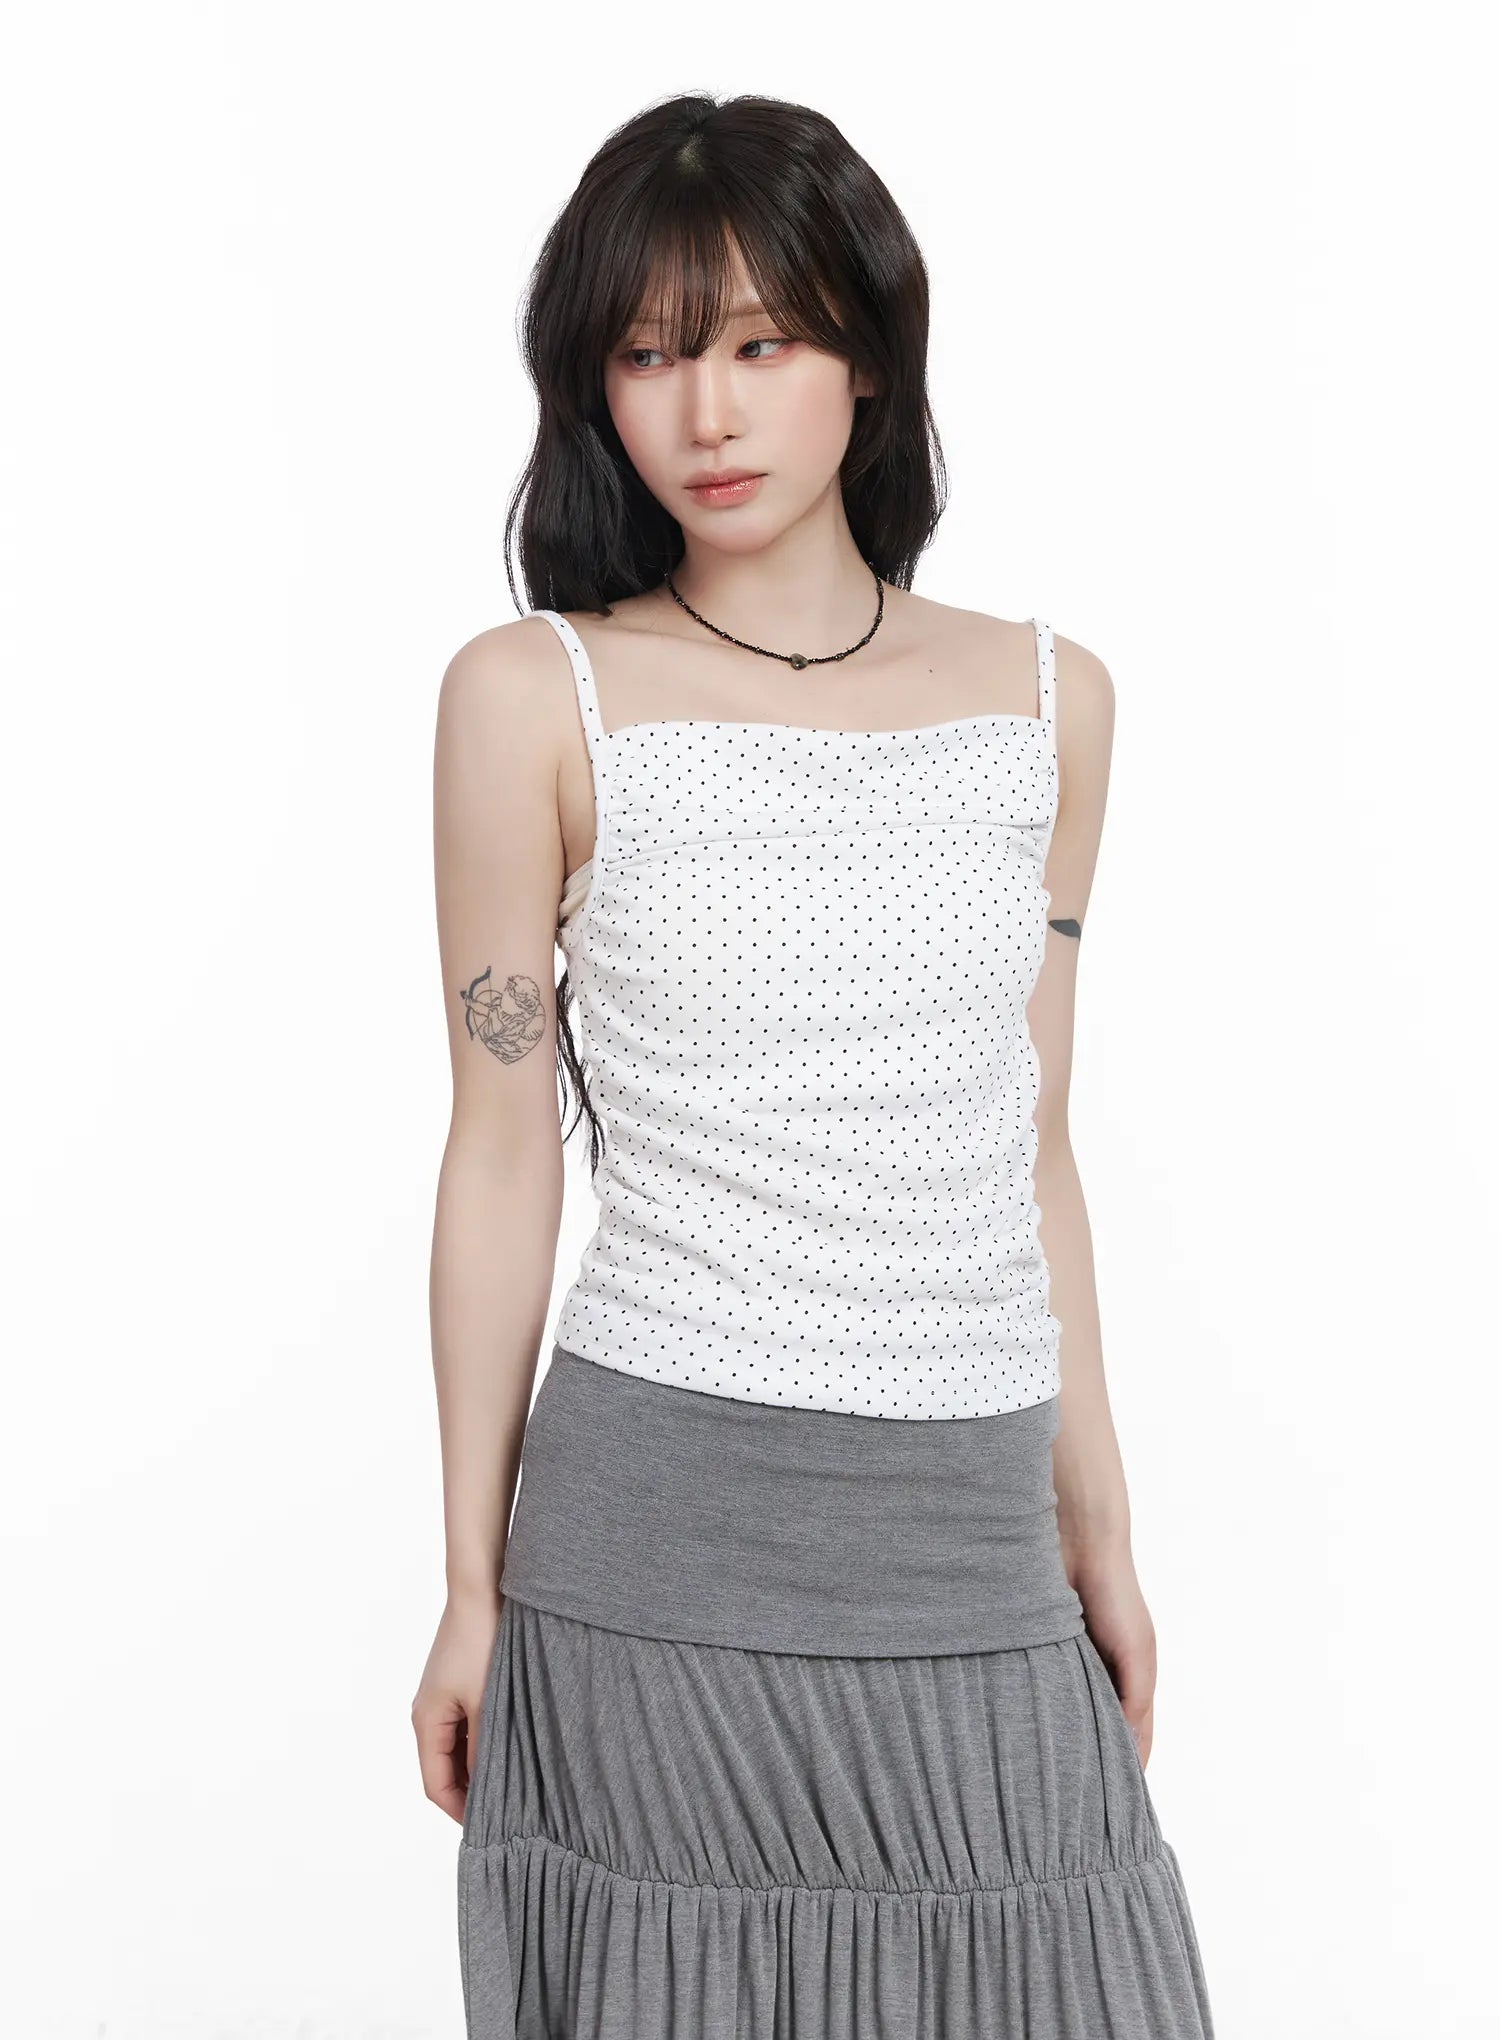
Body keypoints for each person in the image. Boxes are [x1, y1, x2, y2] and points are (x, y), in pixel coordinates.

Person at [414, 90, 1217, 2040]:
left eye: (762, 343)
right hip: (659, 1536)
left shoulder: (1050, 701)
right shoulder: (535, 697)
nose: (708, 411)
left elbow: (1030, 1143)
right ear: (591, 389)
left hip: (969, 1525)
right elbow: (501, 1151)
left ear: (869, 353)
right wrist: (470, 1582)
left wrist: (1099, 1530)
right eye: (649, 354)